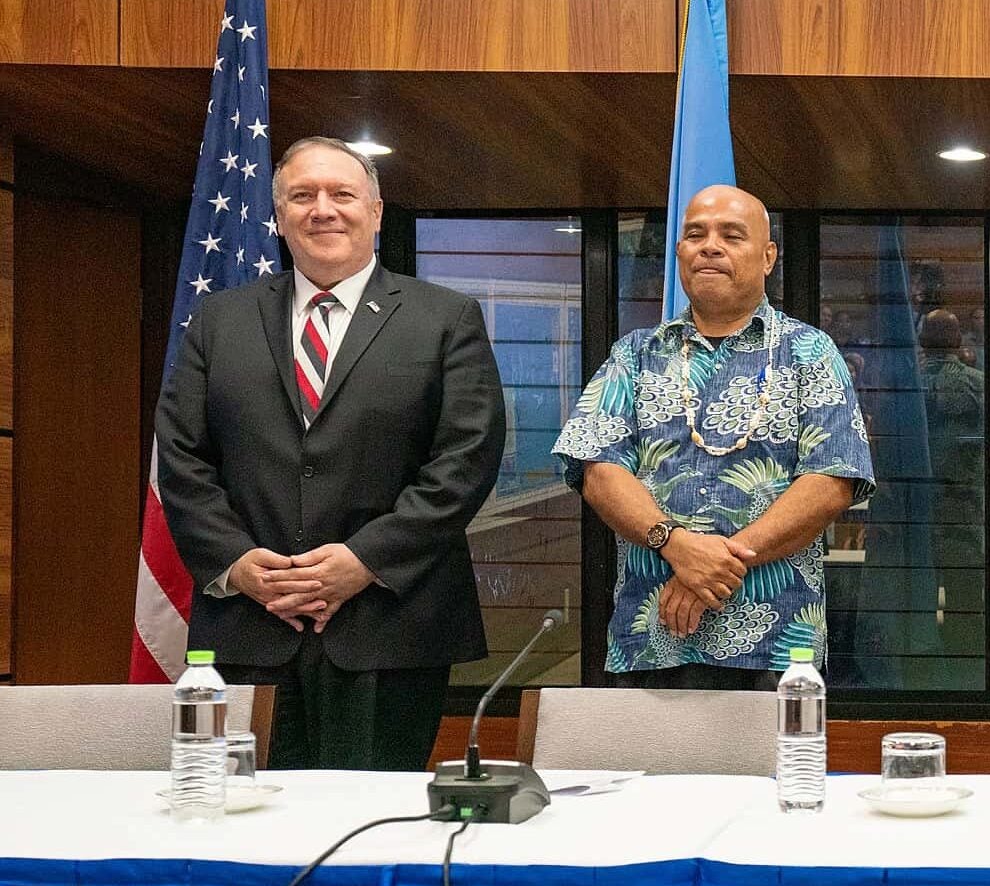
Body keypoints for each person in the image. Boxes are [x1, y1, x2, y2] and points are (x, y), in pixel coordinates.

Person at [156, 136, 507, 770]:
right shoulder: (218, 321)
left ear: (375, 211)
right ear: (280, 217)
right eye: (302, 195)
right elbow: (182, 459)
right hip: (248, 624)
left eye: (342, 194)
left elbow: (467, 458)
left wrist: (363, 560)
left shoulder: (445, 318)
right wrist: (236, 565)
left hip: (391, 626)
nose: (323, 209)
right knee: (245, 836)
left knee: (366, 838)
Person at [554, 184, 874, 688]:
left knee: (772, 771)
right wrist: (677, 546)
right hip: (650, 637)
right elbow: (597, 469)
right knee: (641, 768)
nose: (710, 245)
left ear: (768, 256)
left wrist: (713, 565)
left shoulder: (810, 351)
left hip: (775, 647)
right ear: (679, 252)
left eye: (732, 235)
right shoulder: (635, 355)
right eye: (695, 234)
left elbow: (832, 480)